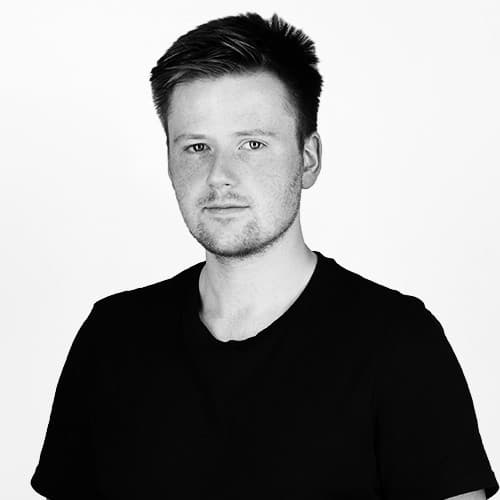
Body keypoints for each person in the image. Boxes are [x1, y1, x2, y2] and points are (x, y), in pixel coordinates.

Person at [31, 12, 498, 500]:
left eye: (252, 144)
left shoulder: (398, 343)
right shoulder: (112, 337)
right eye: (196, 147)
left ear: (308, 159)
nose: (219, 175)